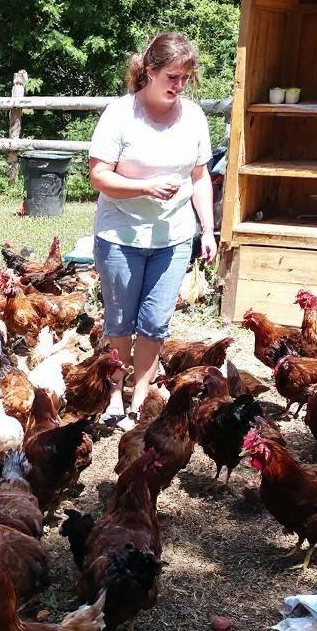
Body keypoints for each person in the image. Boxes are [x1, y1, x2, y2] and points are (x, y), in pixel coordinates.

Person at [87, 32, 216, 428]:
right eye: (172, 77)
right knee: (120, 322)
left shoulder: (193, 117)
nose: (179, 86)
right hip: (120, 236)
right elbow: (98, 176)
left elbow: (201, 177)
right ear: (150, 71)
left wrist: (207, 230)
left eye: (185, 78)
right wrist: (144, 187)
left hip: (174, 237)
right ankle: (115, 393)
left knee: (155, 322)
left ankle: (141, 399)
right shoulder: (120, 114)